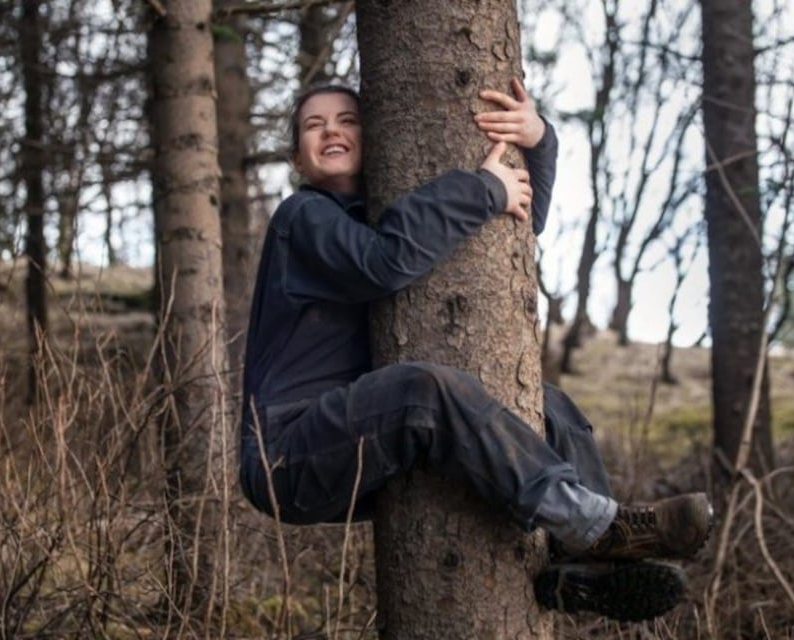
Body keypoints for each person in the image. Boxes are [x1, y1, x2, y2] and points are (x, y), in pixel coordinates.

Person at [239, 78, 713, 622]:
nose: (331, 131)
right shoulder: (301, 217)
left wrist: (538, 141)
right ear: (296, 157)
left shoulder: (377, 212)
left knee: (546, 405)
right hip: (287, 453)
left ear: (375, 135)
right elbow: (382, 262)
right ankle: (596, 524)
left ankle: (586, 569)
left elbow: (517, 229)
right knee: (421, 390)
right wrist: (482, 188)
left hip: (354, 437)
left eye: (348, 120)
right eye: (314, 125)